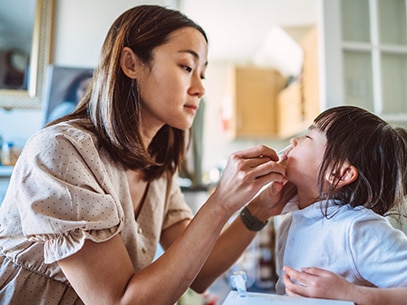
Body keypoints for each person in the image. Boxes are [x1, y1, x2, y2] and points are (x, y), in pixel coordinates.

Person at [0, 5, 289, 305]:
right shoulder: (60, 152)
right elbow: (118, 301)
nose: (201, 88)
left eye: (202, 74)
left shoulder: (159, 169)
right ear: (131, 63)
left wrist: (259, 210)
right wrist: (220, 202)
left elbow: (199, 271)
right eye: (187, 67)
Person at [274, 105, 407, 304]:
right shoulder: (290, 222)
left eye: (308, 137)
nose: (293, 141)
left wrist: (353, 295)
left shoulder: (356, 230)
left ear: (340, 174)